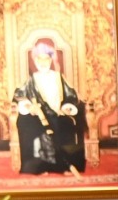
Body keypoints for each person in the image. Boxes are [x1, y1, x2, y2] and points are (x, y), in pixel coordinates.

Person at [13, 39, 87, 177]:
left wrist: (67, 107)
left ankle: (64, 167)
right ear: (35, 61)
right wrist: (29, 107)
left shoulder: (58, 77)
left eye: (46, 59)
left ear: (50, 60)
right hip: (39, 117)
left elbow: (71, 96)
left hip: (58, 114)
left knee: (67, 124)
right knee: (33, 127)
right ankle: (41, 167)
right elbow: (19, 96)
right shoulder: (32, 79)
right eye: (39, 59)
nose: (43, 63)